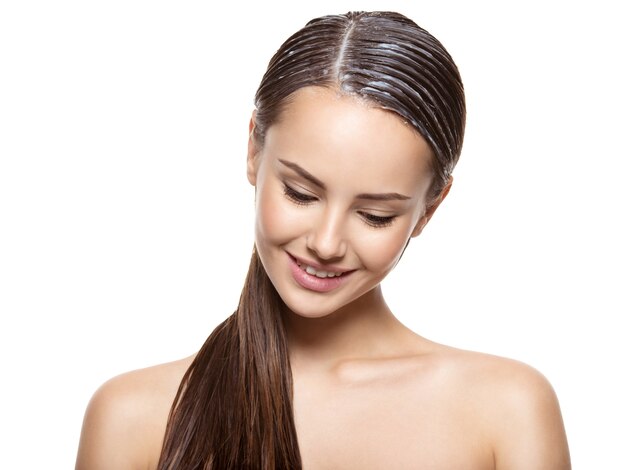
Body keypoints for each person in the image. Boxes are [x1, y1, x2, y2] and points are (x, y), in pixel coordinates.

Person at [75, 11, 570, 470]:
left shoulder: (507, 411)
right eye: (300, 192)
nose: (327, 243)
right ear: (253, 149)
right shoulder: (131, 418)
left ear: (430, 208)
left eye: (375, 215)